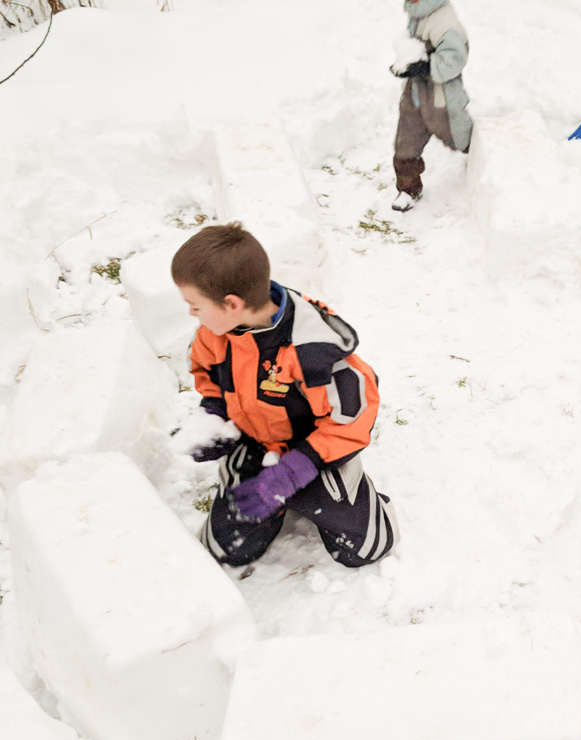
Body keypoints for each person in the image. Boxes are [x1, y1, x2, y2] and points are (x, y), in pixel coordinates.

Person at [173, 223, 398, 567]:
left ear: (232, 304)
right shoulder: (212, 334)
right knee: (225, 549)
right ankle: (270, 501)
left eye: (194, 305)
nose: (191, 313)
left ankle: (332, 494)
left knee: (364, 549)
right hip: (256, 442)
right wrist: (215, 417)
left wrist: (293, 472)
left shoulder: (312, 348)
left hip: (312, 454)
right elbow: (208, 377)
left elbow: (351, 417)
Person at [389, 0, 473, 212]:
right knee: (405, 141)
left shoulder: (445, 21)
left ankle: (478, 154)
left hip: (439, 97)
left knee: (457, 135)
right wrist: (405, 61)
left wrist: (426, 66)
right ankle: (408, 189)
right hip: (414, 94)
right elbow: (412, 45)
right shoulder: (417, 14)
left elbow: (456, 57)